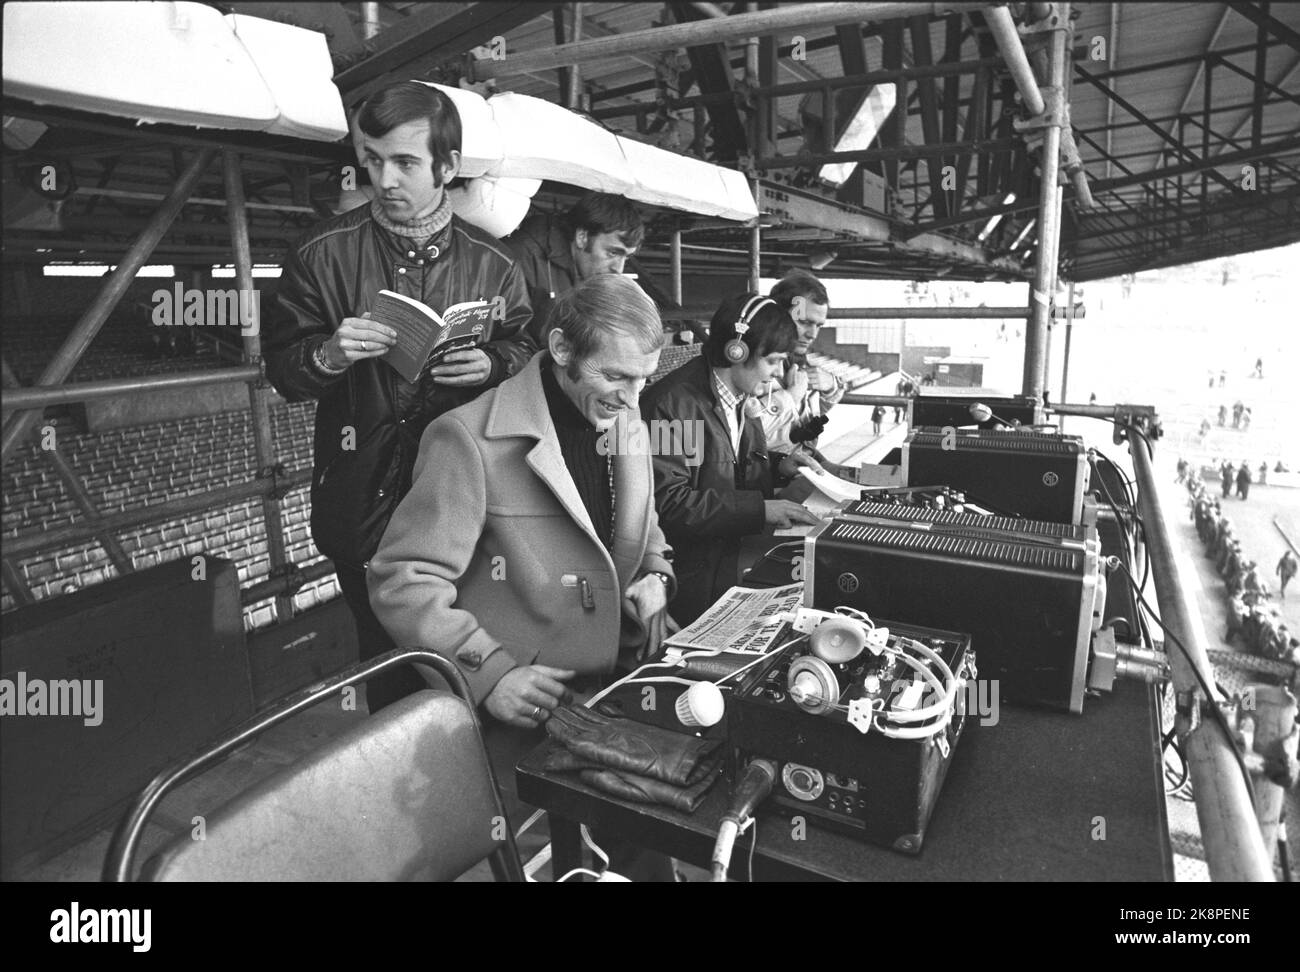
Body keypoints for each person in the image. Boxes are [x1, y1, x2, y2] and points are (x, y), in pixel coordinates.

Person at [264, 81, 536, 713]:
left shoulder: (495, 265)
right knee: (385, 658)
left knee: (469, 635)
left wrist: (494, 362)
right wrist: (326, 355)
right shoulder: (318, 254)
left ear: (446, 167)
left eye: (405, 162)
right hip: (361, 496)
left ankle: (472, 756)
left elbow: (528, 354)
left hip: (467, 495)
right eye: (373, 158)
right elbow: (283, 370)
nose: (383, 178)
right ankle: (402, 770)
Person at [367, 273, 676, 810]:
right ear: (561, 348)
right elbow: (403, 579)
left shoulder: (624, 416)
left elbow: (645, 522)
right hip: (525, 715)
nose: (632, 398)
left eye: (644, 381)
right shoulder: (467, 438)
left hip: (616, 689)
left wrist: (655, 572)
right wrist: (490, 675)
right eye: (617, 376)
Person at [641, 292, 822, 625]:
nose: (779, 373)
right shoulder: (672, 407)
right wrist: (761, 509)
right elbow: (669, 504)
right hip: (686, 586)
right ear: (736, 351)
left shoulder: (741, 398)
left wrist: (778, 468)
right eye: (773, 361)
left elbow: (726, 474)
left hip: (726, 571)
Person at [505, 192, 644, 350]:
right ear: (582, 237)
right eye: (612, 253)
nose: (618, 269)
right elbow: (507, 341)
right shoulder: (521, 257)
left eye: (626, 257)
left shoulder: (584, 268)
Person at [750, 270, 844, 456]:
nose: (813, 334)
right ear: (778, 315)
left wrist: (831, 387)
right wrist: (790, 396)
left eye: (818, 325)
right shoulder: (751, 364)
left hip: (801, 459)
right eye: (804, 322)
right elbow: (742, 433)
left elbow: (806, 409)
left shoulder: (797, 359)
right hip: (770, 470)